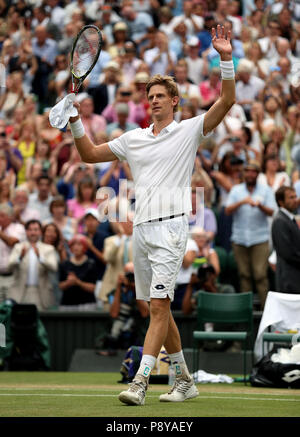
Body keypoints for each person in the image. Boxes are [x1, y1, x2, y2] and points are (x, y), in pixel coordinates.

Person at [68, 24, 235, 405]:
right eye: (151, 96)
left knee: (158, 306)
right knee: (159, 308)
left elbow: (226, 102)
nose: (155, 101)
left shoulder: (190, 130)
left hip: (173, 229)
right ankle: (186, 382)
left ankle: (141, 382)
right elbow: (90, 155)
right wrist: (75, 121)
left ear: (175, 101)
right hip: (140, 232)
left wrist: (226, 58)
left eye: (161, 96)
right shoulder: (132, 138)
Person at [225, 160, 276, 308]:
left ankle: (266, 310)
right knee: (244, 275)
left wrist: (259, 205)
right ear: (244, 174)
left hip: (260, 238)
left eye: (253, 171)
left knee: (260, 275)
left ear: (257, 174)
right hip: (240, 239)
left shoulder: (266, 190)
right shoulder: (236, 190)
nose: (250, 174)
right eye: (247, 171)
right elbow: (227, 210)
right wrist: (242, 202)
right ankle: (246, 309)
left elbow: (272, 212)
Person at [97, 263, 149, 356]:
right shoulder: (116, 291)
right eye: (128, 274)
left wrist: (135, 289)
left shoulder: (145, 291)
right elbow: (113, 314)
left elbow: (145, 313)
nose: (130, 277)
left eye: (133, 274)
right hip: (117, 337)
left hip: (138, 336)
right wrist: (118, 287)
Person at [8, 219, 58, 311]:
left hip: (40, 293)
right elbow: (9, 267)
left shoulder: (48, 248)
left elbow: (54, 267)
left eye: (35, 230)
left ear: (40, 232)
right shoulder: (18, 247)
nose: (33, 233)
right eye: (30, 230)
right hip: (21, 292)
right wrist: (19, 257)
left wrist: (40, 257)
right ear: (26, 232)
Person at [271, 186, 300, 294]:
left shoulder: (288, 218)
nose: (295, 200)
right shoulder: (280, 221)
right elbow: (287, 253)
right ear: (281, 202)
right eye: (291, 198)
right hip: (288, 280)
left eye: (295, 197)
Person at [58, 234, 98, 309]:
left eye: (79, 245)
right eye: (73, 245)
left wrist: (77, 282)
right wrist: (68, 283)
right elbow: (60, 286)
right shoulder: (65, 264)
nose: (76, 247)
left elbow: (93, 288)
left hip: (86, 304)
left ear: (84, 247)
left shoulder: (91, 264)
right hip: (67, 304)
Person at [0, 203, 26, 303]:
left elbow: (12, 242)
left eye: (2, 215)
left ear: (10, 217)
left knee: (11, 307)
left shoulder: (18, 228)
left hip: (13, 276)